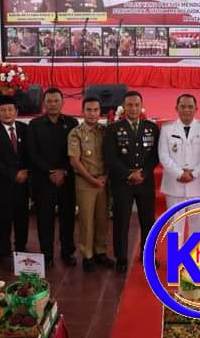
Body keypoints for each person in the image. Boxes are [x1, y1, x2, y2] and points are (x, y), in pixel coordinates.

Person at [103, 91, 159, 273]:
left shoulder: (151, 128)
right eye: (129, 105)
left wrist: (143, 172)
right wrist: (128, 174)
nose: (133, 108)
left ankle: (148, 254)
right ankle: (121, 257)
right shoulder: (113, 129)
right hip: (122, 183)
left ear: (141, 107)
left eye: (136, 105)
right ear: (123, 107)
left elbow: (155, 155)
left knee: (148, 220)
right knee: (121, 221)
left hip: (145, 181)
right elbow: (110, 157)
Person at [27, 88, 79, 268]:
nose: (53, 104)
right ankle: (46, 254)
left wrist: (63, 171)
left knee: (67, 218)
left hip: (66, 178)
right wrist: (50, 172)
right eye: (49, 101)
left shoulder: (72, 123)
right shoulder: (34, 124)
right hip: (43, 180)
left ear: (62, 102)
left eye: (56, 101)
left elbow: (75, 151)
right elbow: (32, 153)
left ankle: (67, 252)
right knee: (44, 219)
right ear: (44, 103)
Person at [68, 97, 115, 272]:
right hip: (86, 181)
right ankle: (87, 255)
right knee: (86, 220)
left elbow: (111, 155)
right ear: (82, 112)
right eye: (89, 110)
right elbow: (75, 161)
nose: (92, 113)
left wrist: (105, 177)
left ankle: (100, 251)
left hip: (103, 181)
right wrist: (92, 180)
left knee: (102, 218)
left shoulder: (105, 131)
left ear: (100, 112)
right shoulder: (76, 133)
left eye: (96, 110)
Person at [0, 95, 30, 260]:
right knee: (3, 221)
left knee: (22, 220)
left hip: (23, 185)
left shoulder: (25, 129)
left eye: (10, 109)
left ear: (16, 112)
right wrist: (14, 174)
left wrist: (26, 172)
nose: (7, 113)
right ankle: (4, 253)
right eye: (3, 110)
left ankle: (21, 250)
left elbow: (30, 153)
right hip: (2, 186)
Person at [158, 94, 200, 240]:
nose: (186, 110)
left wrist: (193, 174)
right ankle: (174, 255)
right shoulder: (167, 129)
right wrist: (179, 173)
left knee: (197, 226)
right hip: (174, 184)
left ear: (196, 109)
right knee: (175, 226)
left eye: (190, 107)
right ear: (176, 108)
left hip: (197, 184)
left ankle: (194, 254)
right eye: (183, 106)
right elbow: (163, 155)